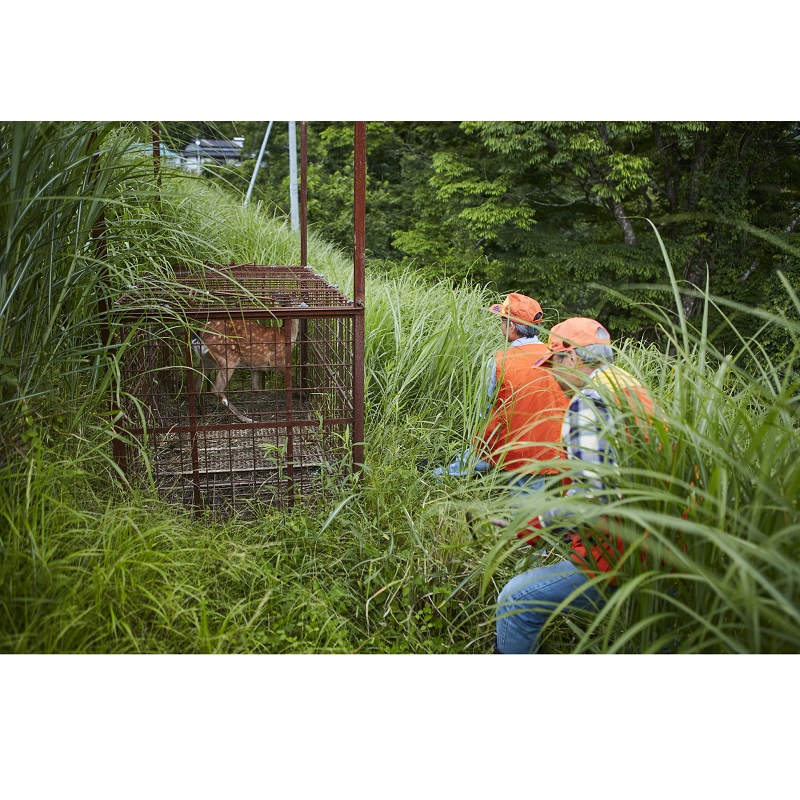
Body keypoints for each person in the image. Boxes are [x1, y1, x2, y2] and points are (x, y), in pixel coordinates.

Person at [495, 317, 656, 654]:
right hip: (664, 543)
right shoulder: (629, 386)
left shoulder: (589, 404)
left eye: (555, 363)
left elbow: (588, 500)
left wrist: (530, 524)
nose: (552, 374)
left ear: (572, 358)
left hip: (625, 553)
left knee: (516, 600)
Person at [433, 293, 568, 493]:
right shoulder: (559, 358)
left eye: (502, 321)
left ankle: (441, 477)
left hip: (507, 442)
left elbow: (484, 409)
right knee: (529, 495)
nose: (500, 326)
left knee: (481, 448)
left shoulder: (499, 361)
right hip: (547, 446)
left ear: (511, 327)